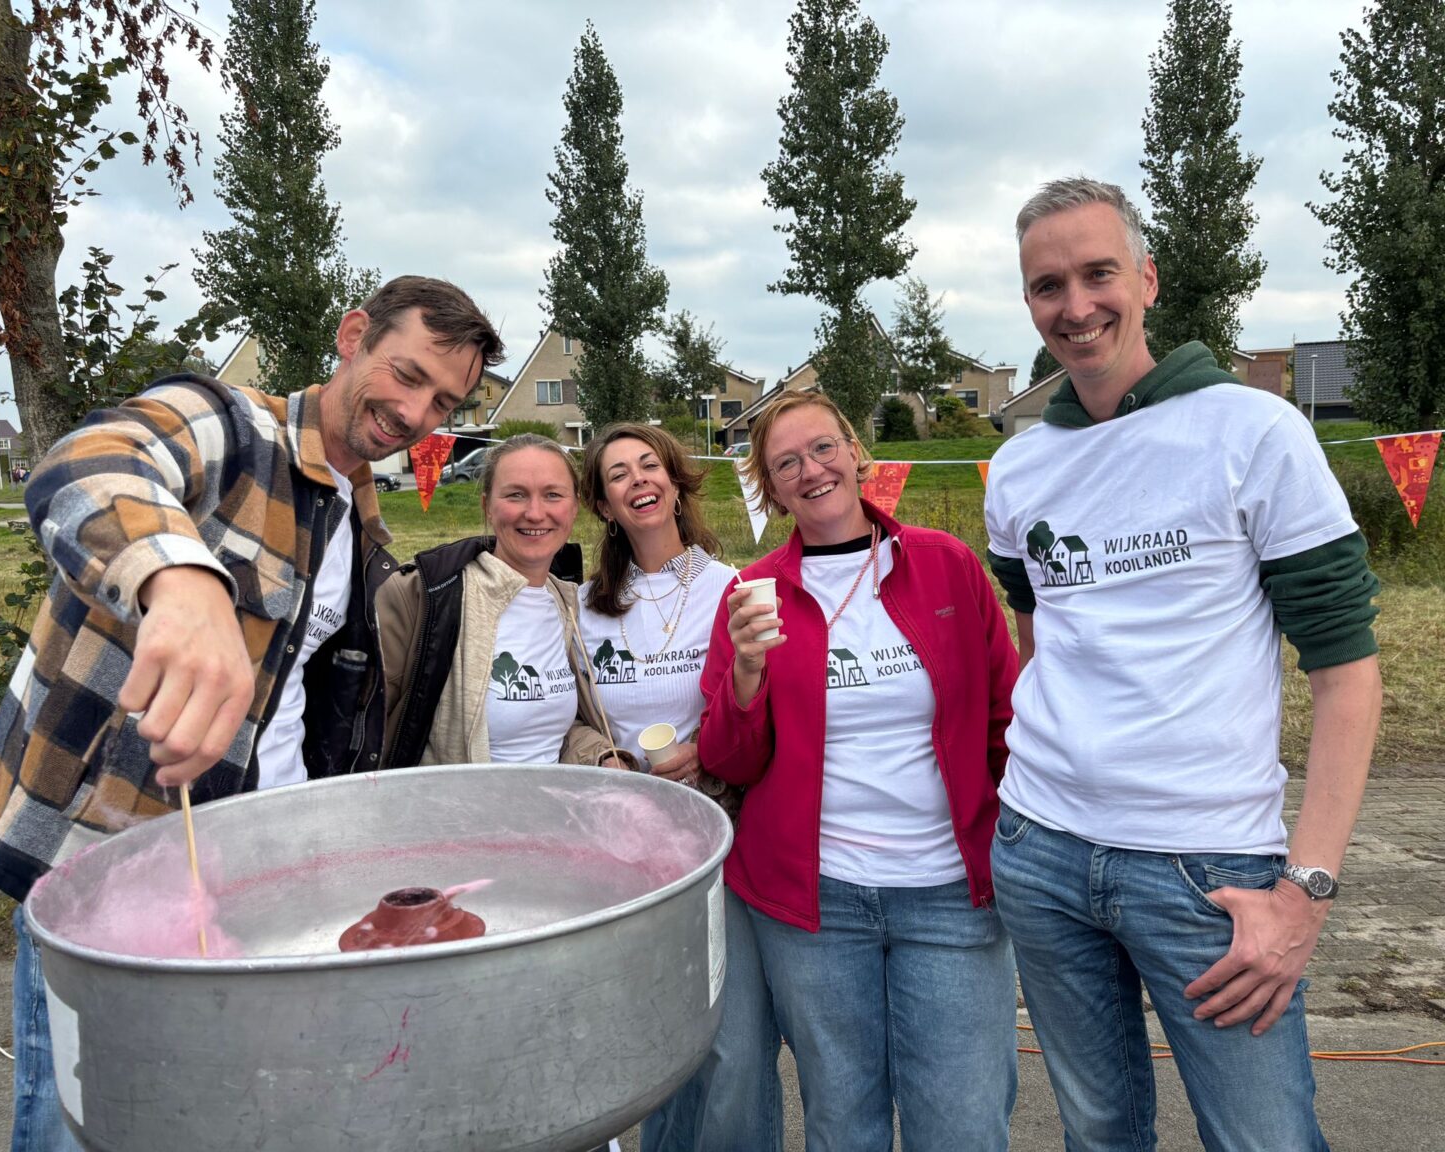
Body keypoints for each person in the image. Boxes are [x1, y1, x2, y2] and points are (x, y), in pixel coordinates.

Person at [0, 276, 504, 1151]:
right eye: (407, 374)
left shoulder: (357, 513)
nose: (415, 412)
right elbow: (89, 461)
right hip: (109, 870)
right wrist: (181, 580)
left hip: (246, 874)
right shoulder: (233, 427)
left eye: (443, 402)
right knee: (80, 1124)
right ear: (353, 335)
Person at [984, 177, 1383, 1152]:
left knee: (1263, 1138)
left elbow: (1346, 675)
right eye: (1048, 286)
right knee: (1098, 1130)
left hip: (1206, 869)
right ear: (1029, 302)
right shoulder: (1019, 468)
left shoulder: (1255, 432)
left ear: (1148, 279)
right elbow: (1043, 639)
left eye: (1099, 273)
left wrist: (1306, 891)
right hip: (1041, 851)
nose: (1076, 306)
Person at [699, 391, 1020, 1152]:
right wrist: (746, 671)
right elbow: (729, 760)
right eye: (786, 464)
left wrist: (1014, 845)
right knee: (844, 1121)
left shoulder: (944, 565)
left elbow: (1007, 719)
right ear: (770, 489)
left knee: (964, 1121)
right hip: (817, 903)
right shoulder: (752, 593)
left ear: (853, 451)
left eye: (822, 448)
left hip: (950, 891)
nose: (811, 471)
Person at [575, 423, 783, 1152]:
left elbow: (762, 706)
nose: (638, 481)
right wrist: (606, 757)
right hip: (629, 847)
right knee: (659, 1039)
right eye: (618, 474)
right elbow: (571, 720)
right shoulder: (585, 605)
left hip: (719, 834)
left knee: (733, 1041)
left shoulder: (733, 588)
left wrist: (707, 752)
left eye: (649, 466)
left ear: (674, 480)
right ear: (603, 505)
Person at [378, 434, 628, 770]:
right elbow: (366, 726)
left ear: (574, 507)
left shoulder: (565, 601)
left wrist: (602, 756)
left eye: (552, 495)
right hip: (459, 803)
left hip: (552, 802)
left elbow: (548, 730)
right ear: (487, 506)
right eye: (516, 495)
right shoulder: (427, 596)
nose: (535, 513)